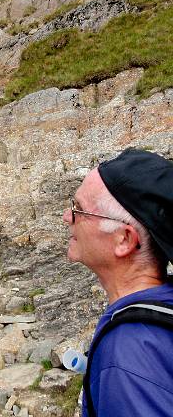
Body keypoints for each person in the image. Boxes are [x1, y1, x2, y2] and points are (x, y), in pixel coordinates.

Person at [63, 148, 173, 417]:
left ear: (124, 240)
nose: (67, 217)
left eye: (79, 209)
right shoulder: (162, 304)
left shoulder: (130, 352)